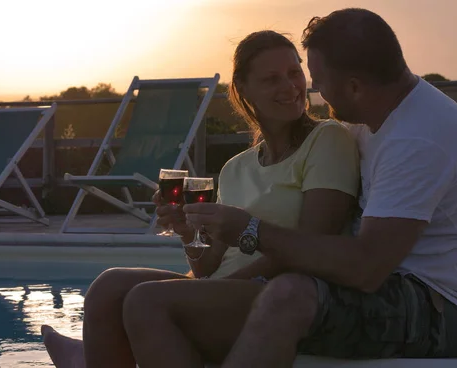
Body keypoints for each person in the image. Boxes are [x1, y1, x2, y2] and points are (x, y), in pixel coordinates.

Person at [123, 7, 457, 368]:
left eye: (317, 78)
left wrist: (250, 230)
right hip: (387, 286)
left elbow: (367, 269)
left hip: (443, 309)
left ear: (354, 86)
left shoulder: (420, 137)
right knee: (126, 290)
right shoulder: (366, 120)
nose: (313, 90)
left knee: (288, 294)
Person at [41, 30, 360, 368]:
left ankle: (84, 360)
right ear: (243, 89)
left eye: (294, 72)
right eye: (271, 79)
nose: (290, 86)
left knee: (145, 301)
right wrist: (186, 232)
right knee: (107, 287)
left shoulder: (327, 139)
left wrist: (212, 288)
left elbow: (313, 244)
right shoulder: (236, 168)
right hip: (226, 289)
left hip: (282, 291)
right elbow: (206, 265)